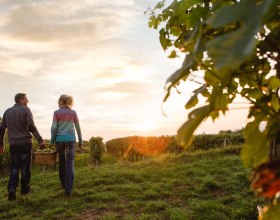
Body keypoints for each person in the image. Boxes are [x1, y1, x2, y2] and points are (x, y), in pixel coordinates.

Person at [0, 93, 45, 201]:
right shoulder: (26, 110)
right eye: (26, 99)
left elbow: (2, 129)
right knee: (25, 167)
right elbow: (30, 126)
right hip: (25, 143)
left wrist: (1, 143)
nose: (27, 101)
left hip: (13, 144)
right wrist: (40, 139)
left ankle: (11, 189)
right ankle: (25, 189)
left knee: (15, 167)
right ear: (20, 100)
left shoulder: (7, 112)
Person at [50, 94, 82, 196]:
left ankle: (64, 183)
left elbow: (54, 128)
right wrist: (80, 140)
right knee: (70, 163)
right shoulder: (73, 113)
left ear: (60, 101)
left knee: (62, 162)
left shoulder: (56, 113)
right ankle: (68, 189)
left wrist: (52, 141)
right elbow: (78, 127)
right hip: (71, 140)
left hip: (59, 140)